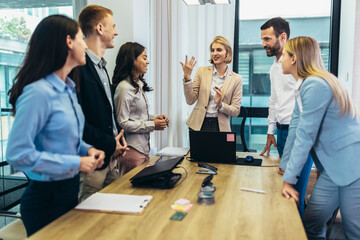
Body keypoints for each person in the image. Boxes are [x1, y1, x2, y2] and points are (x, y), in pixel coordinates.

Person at [5, 15, 105, 236]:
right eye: (82, 39)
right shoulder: (38, 93)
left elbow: (69, 139)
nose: (86, 45)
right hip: (45, 200)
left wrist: (86, 150)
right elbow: (16, 153)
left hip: (69, 192)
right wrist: (75, 161)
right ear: (69, 42)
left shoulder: (68, 89)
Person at [280, 36, 360, 240]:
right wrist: (285, 166)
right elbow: (296, 129)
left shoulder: (315, 85)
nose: (280, 59)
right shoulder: (304, 86)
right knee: (312, 223)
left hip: (351, 167)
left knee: (353, 231)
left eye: (284, 55)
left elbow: (305, 136)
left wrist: (289, 180)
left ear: (294, 58)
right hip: (335, 170)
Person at [71, 5, 127, 201]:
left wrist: (118, 138)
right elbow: (79, 122)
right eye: (113, 26)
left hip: (111, 158)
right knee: (87, 224)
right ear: (100, 28)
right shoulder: (78, 67)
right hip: (92, 162)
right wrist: (110, 144)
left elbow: (107, 111)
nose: (117, 32)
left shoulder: (103, 68)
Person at [259, 17, 312, 216]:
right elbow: (273, 101)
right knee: (283, 188)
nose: (263, 44)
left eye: (267, 39)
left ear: (282, 37)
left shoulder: (299, 65)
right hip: (281, 132)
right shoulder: (275, 68)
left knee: (294, 191)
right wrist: (270, 131)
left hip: (297, 133)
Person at [113, 42, 169, 176]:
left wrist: (156, 118)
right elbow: (123, 123)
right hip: (131, 150)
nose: (148, 62)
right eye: (144, 58)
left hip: (143, 149)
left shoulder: (138, 84)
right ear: (132, 60)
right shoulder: (124, 88)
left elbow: (138, 115)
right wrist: (152, 125)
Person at [181, 36, 242, 132]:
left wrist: (220, 104)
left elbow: (236, 111)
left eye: (219, 50)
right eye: (212, 50)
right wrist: (187, 78)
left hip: (220, 127)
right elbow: (190, 100)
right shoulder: (201, 71)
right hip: (199, 125)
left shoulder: (236, 79)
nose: (215, 53)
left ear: (227, 53)